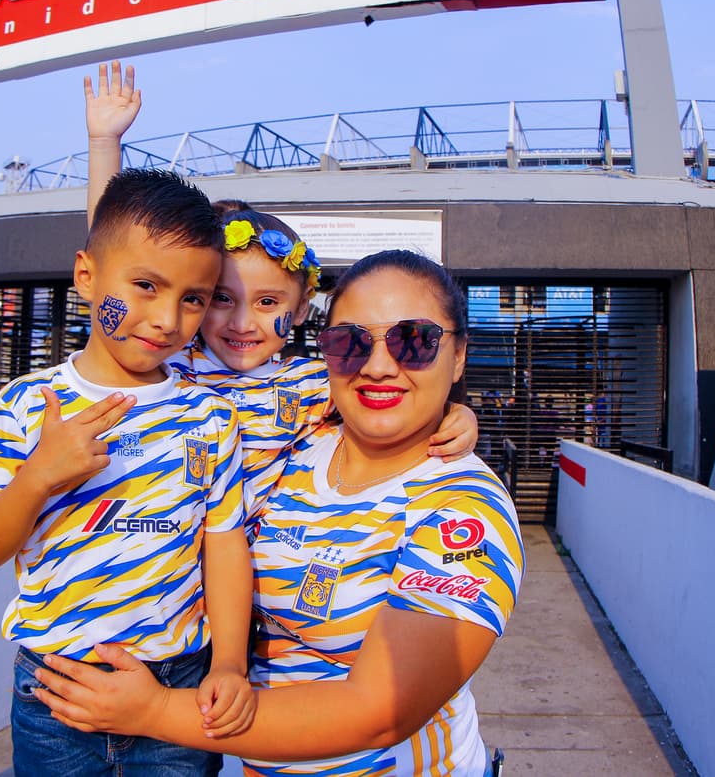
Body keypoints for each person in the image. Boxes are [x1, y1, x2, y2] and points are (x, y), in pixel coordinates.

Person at [34, 249, 525, 777]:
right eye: (350, 343)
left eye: (416, 342)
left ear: (457, 356)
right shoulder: (294, 446)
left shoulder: (464, 509)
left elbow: (379, 713)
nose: (379, 365)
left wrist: (154, 712)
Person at [0, 168, 255, 777]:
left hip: (180, 687)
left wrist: (230, 665)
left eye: (193, 298)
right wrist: (37, 478)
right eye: (144, 286)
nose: (167, 319)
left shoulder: (212, 416)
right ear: (86, 276)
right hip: (57, 691)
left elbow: (224, 544)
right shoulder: (23, 406)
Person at [84, 63, 479, 530]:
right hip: (166, 574)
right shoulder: (170, 365)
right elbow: (114, 257)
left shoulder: (312, 386)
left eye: (268, 303)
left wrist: (456, 412)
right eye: (221, 300)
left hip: (249, 583)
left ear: (298, 311)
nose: (242, 322)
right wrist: (104, 144)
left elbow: (393, 393)